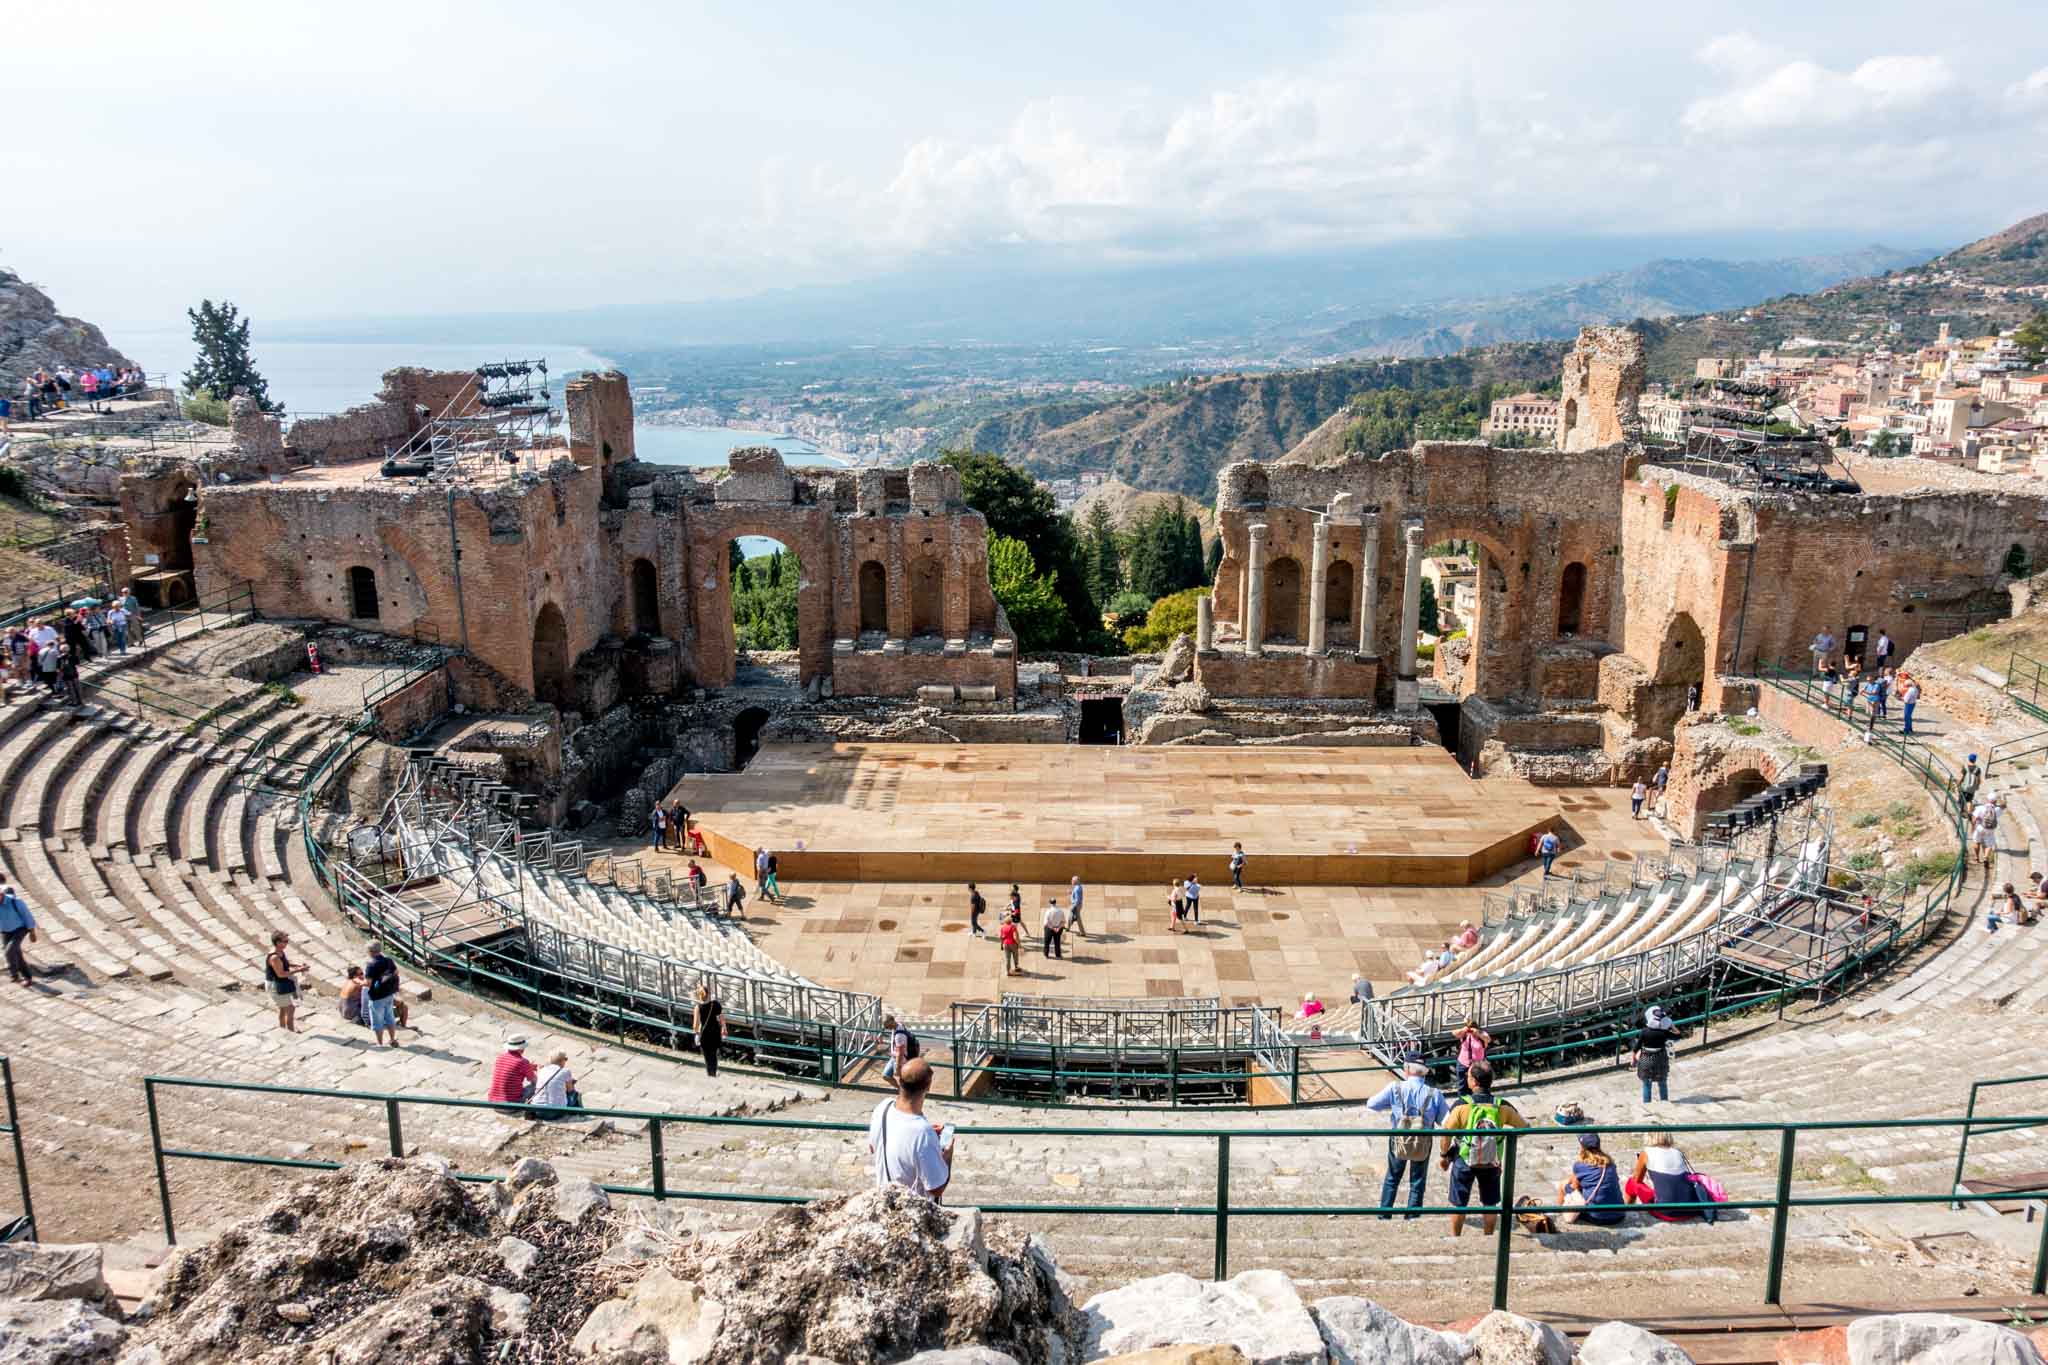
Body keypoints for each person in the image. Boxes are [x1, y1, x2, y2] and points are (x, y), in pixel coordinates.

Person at [1439, 1063, 1527, 1237]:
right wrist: (1500, 1138)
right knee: (1490, 1204)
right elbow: (1523, 1128)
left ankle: (1456, 1238)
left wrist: (1444, 1155)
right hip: (1492, 1162)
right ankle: (1488, 1238)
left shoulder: (1461, 1105)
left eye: (1468, 1076)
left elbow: (1446, 1132)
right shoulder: (1503, 1106)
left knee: (1459, 1204)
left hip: (1464, 1159)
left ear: (1473, 1081)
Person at [1366, 1053, 1449, 1218]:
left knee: (1392, 1176)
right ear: (1424, 1071)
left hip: (1399, 1138)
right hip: (1423, 1140)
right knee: (1418, 1180)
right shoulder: (1435, 1093)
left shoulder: (1395, 1088)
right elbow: (1446, 1121)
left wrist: (1392, 1105)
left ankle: (1385, 1214)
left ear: (1407, 1069)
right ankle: (1412, 1216)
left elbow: (1372, 1104)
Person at [868, 1057, 951, 1201]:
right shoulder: (922, 1133)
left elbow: (872, 1147)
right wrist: (948, 1156)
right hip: (910, 1213)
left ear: (899, 1081)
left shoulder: (883, 1107)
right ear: (928, 1086)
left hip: (883, 1201)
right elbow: (936, 1188)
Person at [1626, 1129, 1715, 1223]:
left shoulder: (1646, 1152)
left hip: (1666, 1213)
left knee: (1631, 1183)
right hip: (1690, 1209)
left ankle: (1627, 1209)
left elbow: (1637, 1179)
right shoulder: (1678, 1152)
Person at [1558, 1132, 1626, 1225]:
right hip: (1619, 1215)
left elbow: (1575, 1187)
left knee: (1563, 1185)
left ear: (1582, 1147)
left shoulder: (1580, 1165)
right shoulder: (1610, 1163)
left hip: (1597, 1218)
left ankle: (1560, 1212)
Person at [1633, 1005, 1681, 1102]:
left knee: (1647, 1083)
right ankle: (1664, 1101)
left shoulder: (1644, 1032)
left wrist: (1633, 1060)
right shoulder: (1664, 1032)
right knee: (1662, 1082)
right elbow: (1678, 1035)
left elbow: (1636, 1048)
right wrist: (1671, 1025)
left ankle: (1647, 1103)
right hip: (1661, 1058)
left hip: (1646, 1059)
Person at [264, 930, 307, 1032]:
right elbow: (281, 974)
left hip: (278, 984)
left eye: (287, 941)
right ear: (278, 942)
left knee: (283, 1009)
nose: (287, 943)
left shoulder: (280, 951)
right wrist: (299, 970)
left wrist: (298, 966)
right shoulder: (274, 957)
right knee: (290, 1009)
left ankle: (283, 1029)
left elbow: (286, 964)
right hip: (275, 986)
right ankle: (291, 1033)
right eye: (285, 941)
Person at [364, 942, 402, 1047]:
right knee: (390, 1017)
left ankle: (379, 1044)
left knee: (377, 1020)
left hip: (377, 996)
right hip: (389, 993)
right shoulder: (388, 960)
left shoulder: (371, 965)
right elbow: (396, 972)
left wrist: (359, 982)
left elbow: (368, 983)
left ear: (370, 952)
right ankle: (392, 1039)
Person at [0, 885, 38, 987]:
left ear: (2, 894)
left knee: (9, 951)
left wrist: (32, 932)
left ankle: (14, 974)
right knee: (16, 953)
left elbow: (27, 916)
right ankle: (25, 977)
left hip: (20, 929)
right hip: (5, 931)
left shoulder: (15, 901)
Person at [489, 1036, 539, 1107]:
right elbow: (535, 1081)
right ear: (521, 1049)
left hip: (492, 1103)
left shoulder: (500, 1057)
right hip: (511, 1106)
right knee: (536, 1086)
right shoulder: (523, 1062)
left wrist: (528, 1067)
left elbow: (512, 1067)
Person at [532, 1051, 583, 1117]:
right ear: (561, 1061)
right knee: (575, 1094)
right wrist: (571, 1083)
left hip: (538, 1111)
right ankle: (579, 1113)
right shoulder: (565, 1071)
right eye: (565, 1059)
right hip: (555, 1113)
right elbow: (570, 1090)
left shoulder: (542, 1070)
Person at [1452, 1018, 1491, 1094]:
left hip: (1478, 1066)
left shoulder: (1482, 1034)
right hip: (1463, 1064)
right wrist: (1464, 1030)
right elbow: (1454, 1033)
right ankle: (1463, 1103)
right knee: (1462, 1087)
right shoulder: (1465, 1035)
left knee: (1480, 1086)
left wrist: (1477, 1033)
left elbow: (1488, 1039)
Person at [693, 985, 724, 1076]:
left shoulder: (698, 1007)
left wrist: (696, 1033)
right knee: (714, 1054)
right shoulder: (716, 1004)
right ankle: (713, 1072)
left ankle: (710, 1073)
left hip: (704, 1034)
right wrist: (724, 1028)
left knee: (707, 1055)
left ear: (699, 996)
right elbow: (721, 1017)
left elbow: (695, 1025)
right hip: (715, 1032)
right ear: (709, 994)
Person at [1971, 796, 2001, 879]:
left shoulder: (1980, 808)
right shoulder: (1997, 809)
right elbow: (2000, 811)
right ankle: (1986, 857)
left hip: (1980, 827)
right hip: (1990, 829)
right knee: (1989, 845)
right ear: (1995, 801)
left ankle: (1977, 858)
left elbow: (1974, 819)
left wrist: (1973, 828)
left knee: (1976, 842)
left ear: (1987, 800)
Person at [883, 1014, 919, 1082]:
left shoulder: (899, 1035)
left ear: (892, 1021)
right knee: (886, 1075)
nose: (886, 1027)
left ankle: (908, 1091)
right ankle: (901, 1090)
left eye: (886, 1025)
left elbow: (900, 1052)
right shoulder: (899, 1025)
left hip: (901, 1060)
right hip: (895, 1057)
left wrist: (897, 1067)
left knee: (904, 1080)